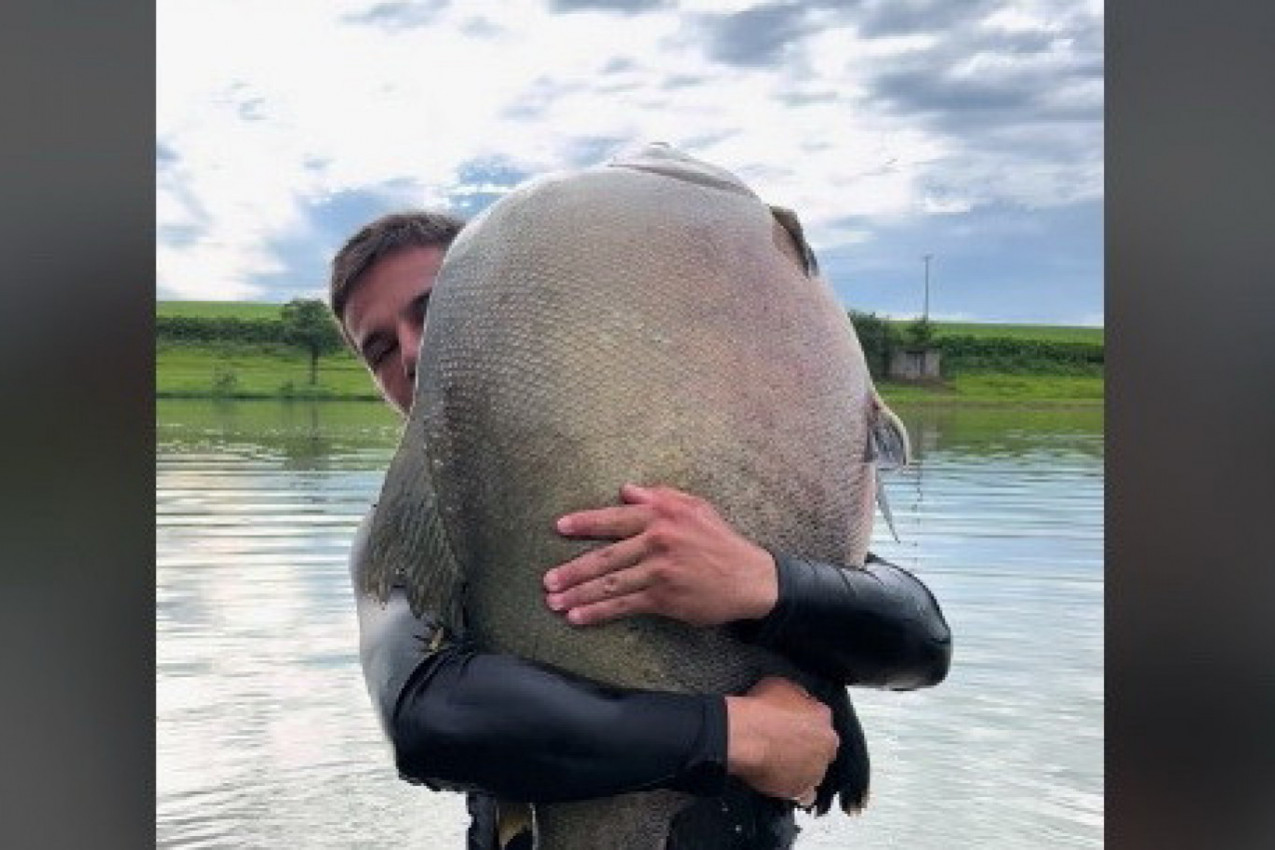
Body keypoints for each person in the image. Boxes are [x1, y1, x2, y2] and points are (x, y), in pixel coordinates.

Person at [330, 211, 951, 849]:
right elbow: (427, 720)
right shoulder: (398, 533)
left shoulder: (690, 484)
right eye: (379, 348)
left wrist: (764, 585)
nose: (412, 350)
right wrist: (736, 734)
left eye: (437, 310)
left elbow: (921, 645)